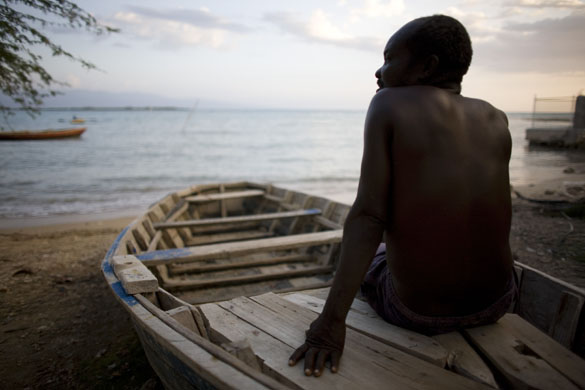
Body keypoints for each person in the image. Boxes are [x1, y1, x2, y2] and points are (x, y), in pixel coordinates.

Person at [288, 14, 516, 377]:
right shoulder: (496, 117)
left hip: (418, 312)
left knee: (373, 253)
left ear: (428, 67)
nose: (378, 72)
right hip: (499, 300)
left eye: (389, 59)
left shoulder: (389, 104)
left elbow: (369, 217)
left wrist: (329, 325)